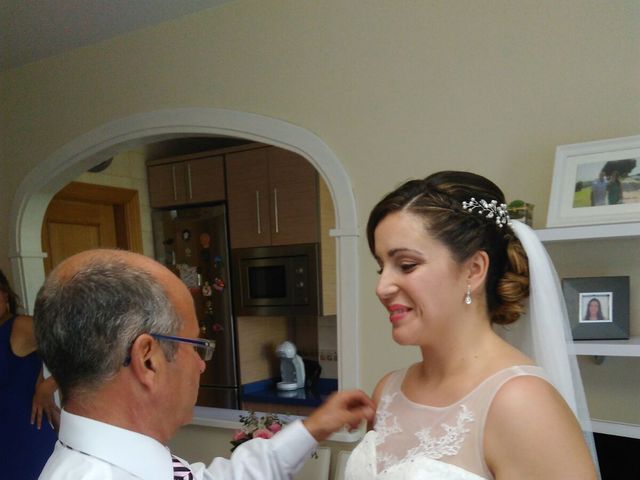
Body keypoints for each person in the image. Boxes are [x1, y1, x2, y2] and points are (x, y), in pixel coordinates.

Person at [33, 249, 374, 480]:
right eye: (195, 347)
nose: (201, 366)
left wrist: (314, 428)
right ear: (148, 360)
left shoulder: (132, 462)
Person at [345, 171, 599, 479]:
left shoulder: (521, 403)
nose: (382, 287)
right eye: (380, 267)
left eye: (407, 265)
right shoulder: (387, 391)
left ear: (474, 270)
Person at [0, 268, 59, 480]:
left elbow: (85, 347)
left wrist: (47, 388)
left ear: (5, 294)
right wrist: (39, 380)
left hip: (23, 441)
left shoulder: (20, 327)